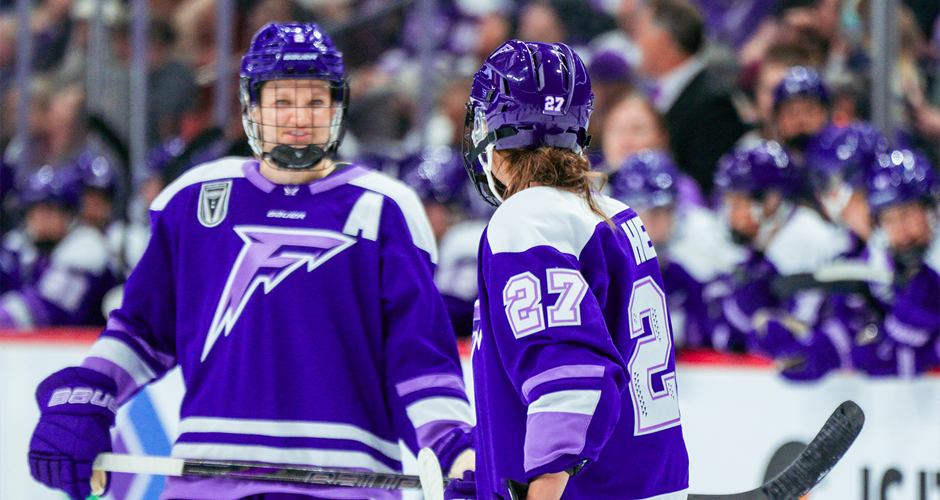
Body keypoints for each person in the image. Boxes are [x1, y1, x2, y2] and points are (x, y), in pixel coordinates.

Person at [27, 22, 473, 500]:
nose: (299, 118)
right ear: (251, 107)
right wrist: (87, 396)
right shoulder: (196, 200)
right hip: (207, 483)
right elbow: (140, 329)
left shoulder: (384, 207)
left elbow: (419, 360)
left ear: (338, 107)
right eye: (282, 101)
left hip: (342, 485)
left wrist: (455, 451)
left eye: (316, 101)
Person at [463, 40, 689, 500]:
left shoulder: (527, 218)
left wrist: (542, 487)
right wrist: (486, 470)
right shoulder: (614, 215)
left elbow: (572, 377)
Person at [608, 149, 744, 350]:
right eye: (650, 211)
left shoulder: (690, 265)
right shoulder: (604, 266)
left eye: (665, 211)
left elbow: (725, 335)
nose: (659, 221)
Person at [0, 165, 118, 328]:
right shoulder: (20, 247)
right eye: (34, 210)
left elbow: (46, 310)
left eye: (48, 210)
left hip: (84, 347)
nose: (39, 219)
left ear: (69, 215)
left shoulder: (87, 247)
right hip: (37, 349)